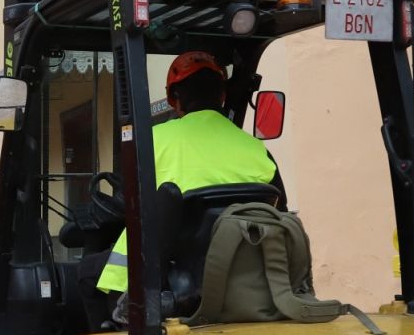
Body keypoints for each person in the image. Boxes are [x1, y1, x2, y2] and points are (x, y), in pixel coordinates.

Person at [96, 51, 278, 301]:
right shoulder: (256, 148)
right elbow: (280, 207)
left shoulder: (152, 140)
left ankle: (115, 333)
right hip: (243, 275)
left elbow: (125, 203)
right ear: (223, 96)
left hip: (163, 282)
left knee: (87, 274)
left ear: (174, 98)